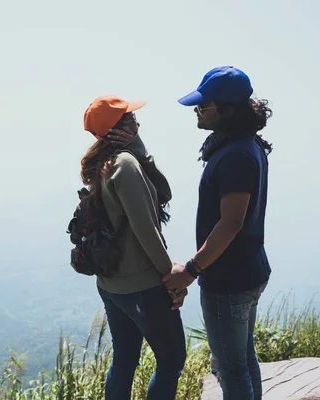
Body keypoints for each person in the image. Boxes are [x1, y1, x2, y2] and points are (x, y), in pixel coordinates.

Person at [163, 66, 274, 400]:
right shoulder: (244, 145)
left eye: (203, 106)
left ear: (226, 109)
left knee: (230, 367)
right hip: (247, 269)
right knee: (242, 359)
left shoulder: (236, 155)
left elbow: (231, 222)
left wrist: (192, 269)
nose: (197, 112)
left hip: (229, 280)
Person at [81, 95, 187, 400]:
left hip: (113, 283)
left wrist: (138, 148)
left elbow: (161, 193)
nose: (137, 123)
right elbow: (146, 228)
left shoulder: (107, 162)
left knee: (125, 361)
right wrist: (172, 278)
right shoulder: (125, 164)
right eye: (130, 119)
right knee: (171, 360)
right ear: (117, 127)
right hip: (141, 286)